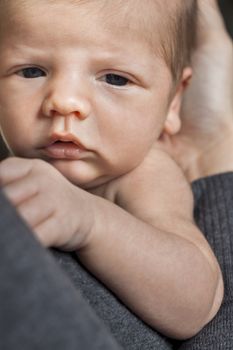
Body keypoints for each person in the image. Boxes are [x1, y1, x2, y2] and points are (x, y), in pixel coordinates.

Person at [0, 0, 224, 341]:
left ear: (173, 102)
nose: (64, 100)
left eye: (115, 78)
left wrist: (90, 220)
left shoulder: (142, 174)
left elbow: (197, 301)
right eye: (32, 71)